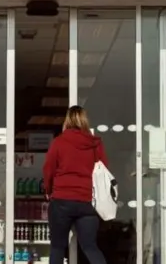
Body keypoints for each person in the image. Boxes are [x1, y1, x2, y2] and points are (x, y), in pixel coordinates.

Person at [42, 105, 109, 264]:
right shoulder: (94, 143)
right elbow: (104, 169)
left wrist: (48, 190)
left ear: (67, 120)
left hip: (62, 201)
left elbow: (48, 169)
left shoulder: (59, 142)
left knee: (58, 247)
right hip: (87, 201)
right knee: (90, 247)